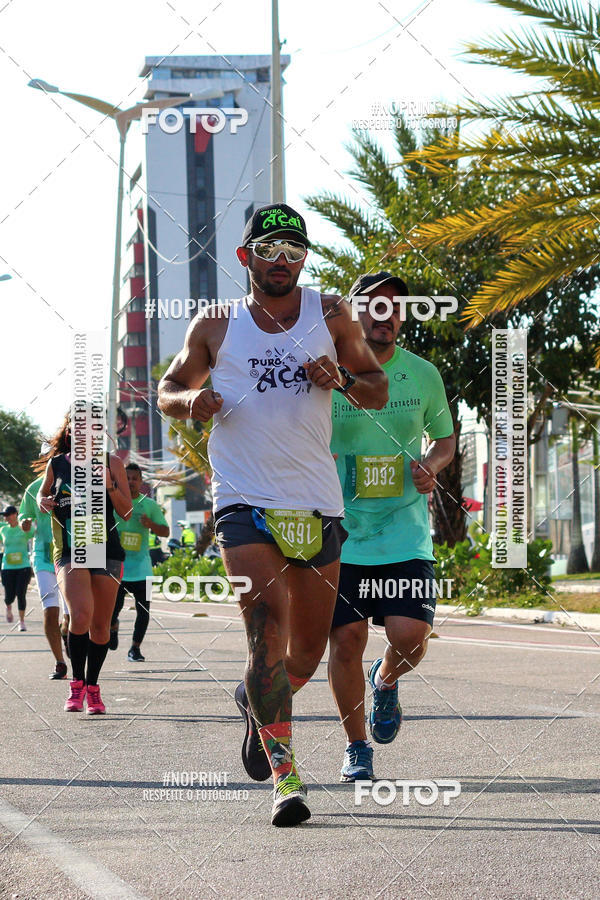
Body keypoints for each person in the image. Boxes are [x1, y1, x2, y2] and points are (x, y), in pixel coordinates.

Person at [158, 203, 388, 826]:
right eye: (270, 252)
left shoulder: (332, 313)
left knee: (307, 654)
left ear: (304, 260)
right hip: (244, 500)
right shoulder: (216, 325)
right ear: (246, 258)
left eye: (295, 252)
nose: (283, 263)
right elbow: (167, 390)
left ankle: (255, 704)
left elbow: (376, 387)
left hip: (315, 500)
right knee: (265, 633)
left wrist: (339, 375)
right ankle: (288, 780)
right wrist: (191, 401)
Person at [328, 272, 456, 781]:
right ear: (355, 314)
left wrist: (433, 464)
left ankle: (385, 680)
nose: (386, 316)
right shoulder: (329, 373)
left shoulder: (422, 374)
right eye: (375, 307)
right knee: (346, 640)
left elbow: (444, 440)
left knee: (411, 634)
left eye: (394, 309)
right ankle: (357, 746)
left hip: (404, 530)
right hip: (340, 532)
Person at [37, 410, 132, 715]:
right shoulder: (56, 464)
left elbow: (127, 511)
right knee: (80, 615)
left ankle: (93, 686)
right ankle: (76, 685)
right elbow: (42, 495)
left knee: (101, 627)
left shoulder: (112, 463)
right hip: (71, 548)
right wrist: (44, 501)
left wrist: (110, 486)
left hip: (106, 549)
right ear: (70, 433)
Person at [110, 463, 169, 660]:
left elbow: (165, 531)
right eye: (127, 478)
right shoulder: (112, 502)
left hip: (141, 567)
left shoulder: (149, 505)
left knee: (143, 610)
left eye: (135, 478)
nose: (131, 482)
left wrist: (150, 524)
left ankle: (135, 648)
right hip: (117, 566)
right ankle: (113, 627)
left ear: (141, 482)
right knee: (112, 610)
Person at [19, 468, 68, 678]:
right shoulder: (33, 488)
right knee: (50, 611)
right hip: (43, 558)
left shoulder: (72, 484)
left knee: (71, 615)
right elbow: (25, 517)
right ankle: (60, 663)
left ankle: (66, 632)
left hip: (68, 555)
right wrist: (25, 523)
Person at [0, 506, 32, 631]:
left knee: (21, 593)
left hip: (23, 567)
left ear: (15, 515)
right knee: (9, 596)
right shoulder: (3, 530)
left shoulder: (24, 528)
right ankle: (8, 607)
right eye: (4, 515)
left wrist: (27, 521)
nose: (6, 517)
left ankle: (21, 621)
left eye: (8, 515)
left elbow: (32, 531)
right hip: (7, 567)